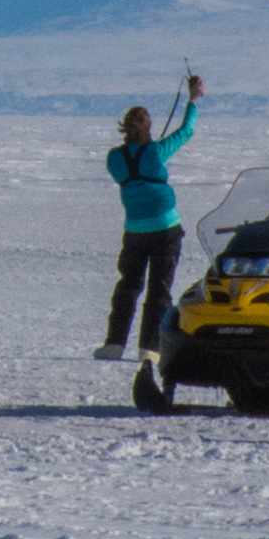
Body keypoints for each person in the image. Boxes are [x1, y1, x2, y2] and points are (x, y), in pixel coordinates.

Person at [97, 75, 205, 358]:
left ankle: (114, 344)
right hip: (166, 229)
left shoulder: (114, 158)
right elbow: (186, 131)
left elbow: (131, 167)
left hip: (135, 231)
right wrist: (192, 99)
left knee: (128, 286)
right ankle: (149, 348)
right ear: (148, 127)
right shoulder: (157, 152)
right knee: (159, 290)